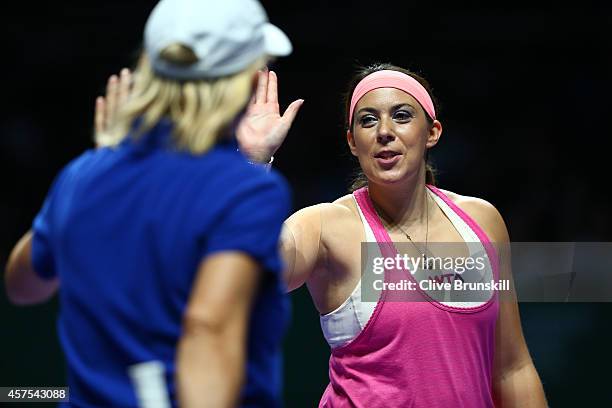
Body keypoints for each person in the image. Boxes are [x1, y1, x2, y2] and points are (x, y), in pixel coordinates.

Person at [4, 0, 303, 406]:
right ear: (240, 80)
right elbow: (207, 330)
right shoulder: (246, 190)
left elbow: (22, 286)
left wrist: (98, 168)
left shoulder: (82, 176)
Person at [237, 63, 548, 406]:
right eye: (368, 120)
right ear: (353, 142)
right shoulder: (326, 226)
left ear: (432, 132)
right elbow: (246, 273)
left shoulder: (482, 221)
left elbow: (511, 368)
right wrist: (250, 166)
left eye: (401, 115)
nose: (384, 130)